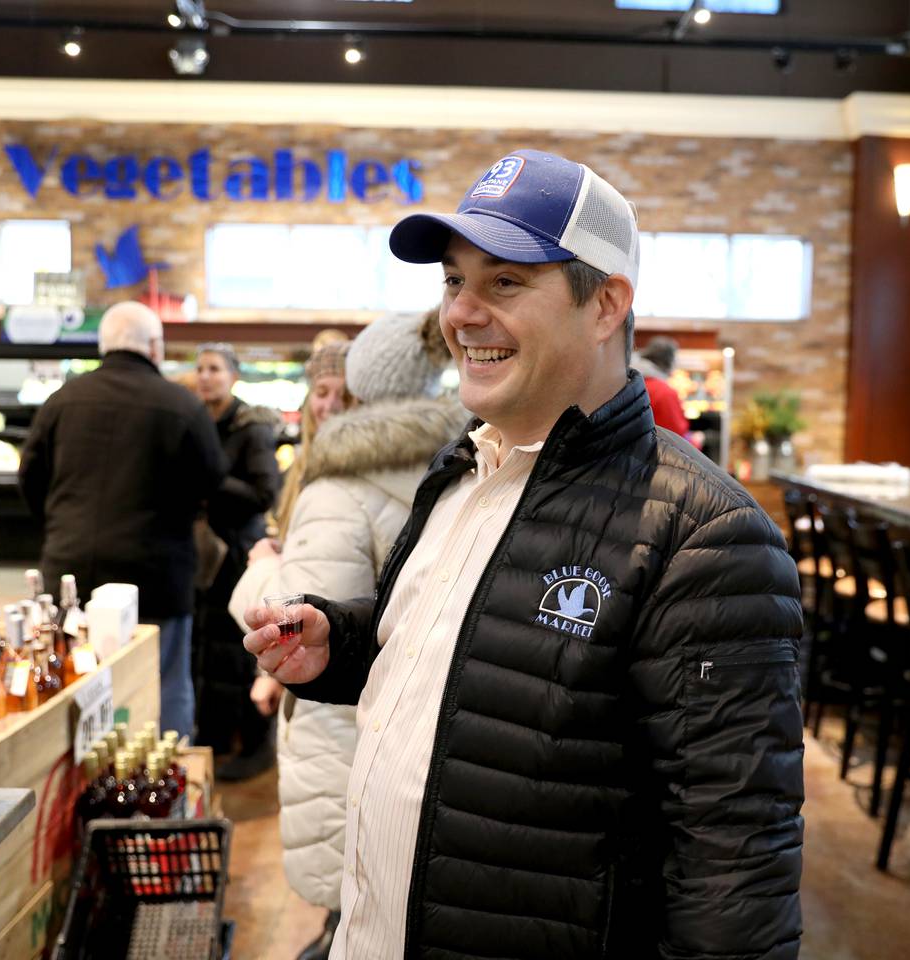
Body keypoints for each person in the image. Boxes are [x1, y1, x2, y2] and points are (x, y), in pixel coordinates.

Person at [242, 149, 804, 958]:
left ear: (606, 303)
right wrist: (347, 640)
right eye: (452, 281)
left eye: (504, 282)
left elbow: (734, 874)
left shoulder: (705, 536)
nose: (462, 313)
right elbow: (480, 651)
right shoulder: (466, 466)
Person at [228, 308, 465, 960]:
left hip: (343, 728)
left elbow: (291, 622)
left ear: (356, 391)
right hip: (427, 732)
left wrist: (262, 570)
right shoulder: (466, 469)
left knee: (351, 903)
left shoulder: (337, 487)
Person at [19, 300, 225, 739]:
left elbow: (29, 478)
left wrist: (60, 526)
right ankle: (168, 787)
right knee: (164, 684)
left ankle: (81, 791)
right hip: (157, 573)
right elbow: (212, 481)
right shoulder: (182, 406)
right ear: (154, 346)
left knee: (75, 681)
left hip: (71, 570)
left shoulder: (62, 401)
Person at [191, 342, 283, 779]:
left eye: (214, 368)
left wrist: (212, 482)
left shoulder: (251, 428)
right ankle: (215, 738)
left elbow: (265, 493)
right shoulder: (196, 422)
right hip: (206, 552)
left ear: (233, 375)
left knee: (240, 647)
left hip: (239, 552)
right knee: (210, 651)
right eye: (200, 369)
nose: (205, 376)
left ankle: (255, 745)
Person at [273, 340, 354, 545]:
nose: (330, 405)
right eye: (322, 392)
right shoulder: (303, 462)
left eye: (345, 395)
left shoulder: (356, 470)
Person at [634, 334, 692, 438]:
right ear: (670, 361)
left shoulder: (629, 381)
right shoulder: (664, 392)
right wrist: (696, 441)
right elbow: (676, 434)